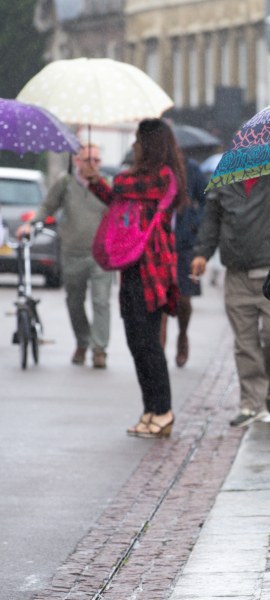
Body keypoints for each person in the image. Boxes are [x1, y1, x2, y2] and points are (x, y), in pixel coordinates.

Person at [87, 119, 187, 438]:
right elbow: (119, 201)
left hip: (152, 271)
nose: (133, 146)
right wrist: (93, 181)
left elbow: (123, 187)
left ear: (151, 144)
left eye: (138, 141)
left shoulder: (163, 177)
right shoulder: (138, 179)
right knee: (135, 342)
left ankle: (164, 410)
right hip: (133, 267)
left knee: (148, 344)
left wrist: (107, 179)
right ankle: (149, 409)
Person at [191, 169, 270, 427]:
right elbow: (211, 222)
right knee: (245, 343)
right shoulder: (223, 183)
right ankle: (251, 403)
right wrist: (201, 254)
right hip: (237, 275)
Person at [35, 144, 112, 368]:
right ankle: (82, 341)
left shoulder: (107, 185)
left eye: (97, 160)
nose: (93, 165)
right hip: (73, 252)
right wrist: (32, 224)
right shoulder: (66, 182)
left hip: (101, 256)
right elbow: (47, 207)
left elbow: (118, 208)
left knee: (101, 301)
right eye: (88, 160)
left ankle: (100, 349)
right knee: (74, 302)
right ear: (77, 161)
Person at [160, 156, 205, 368]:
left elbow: (206, 198)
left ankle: (182, 335)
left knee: (184, 299)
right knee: (160, 299)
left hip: (185, 244)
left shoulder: (191, 168)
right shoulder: (158, 168)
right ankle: (159, 348)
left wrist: (195, 222)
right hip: (161, 242)